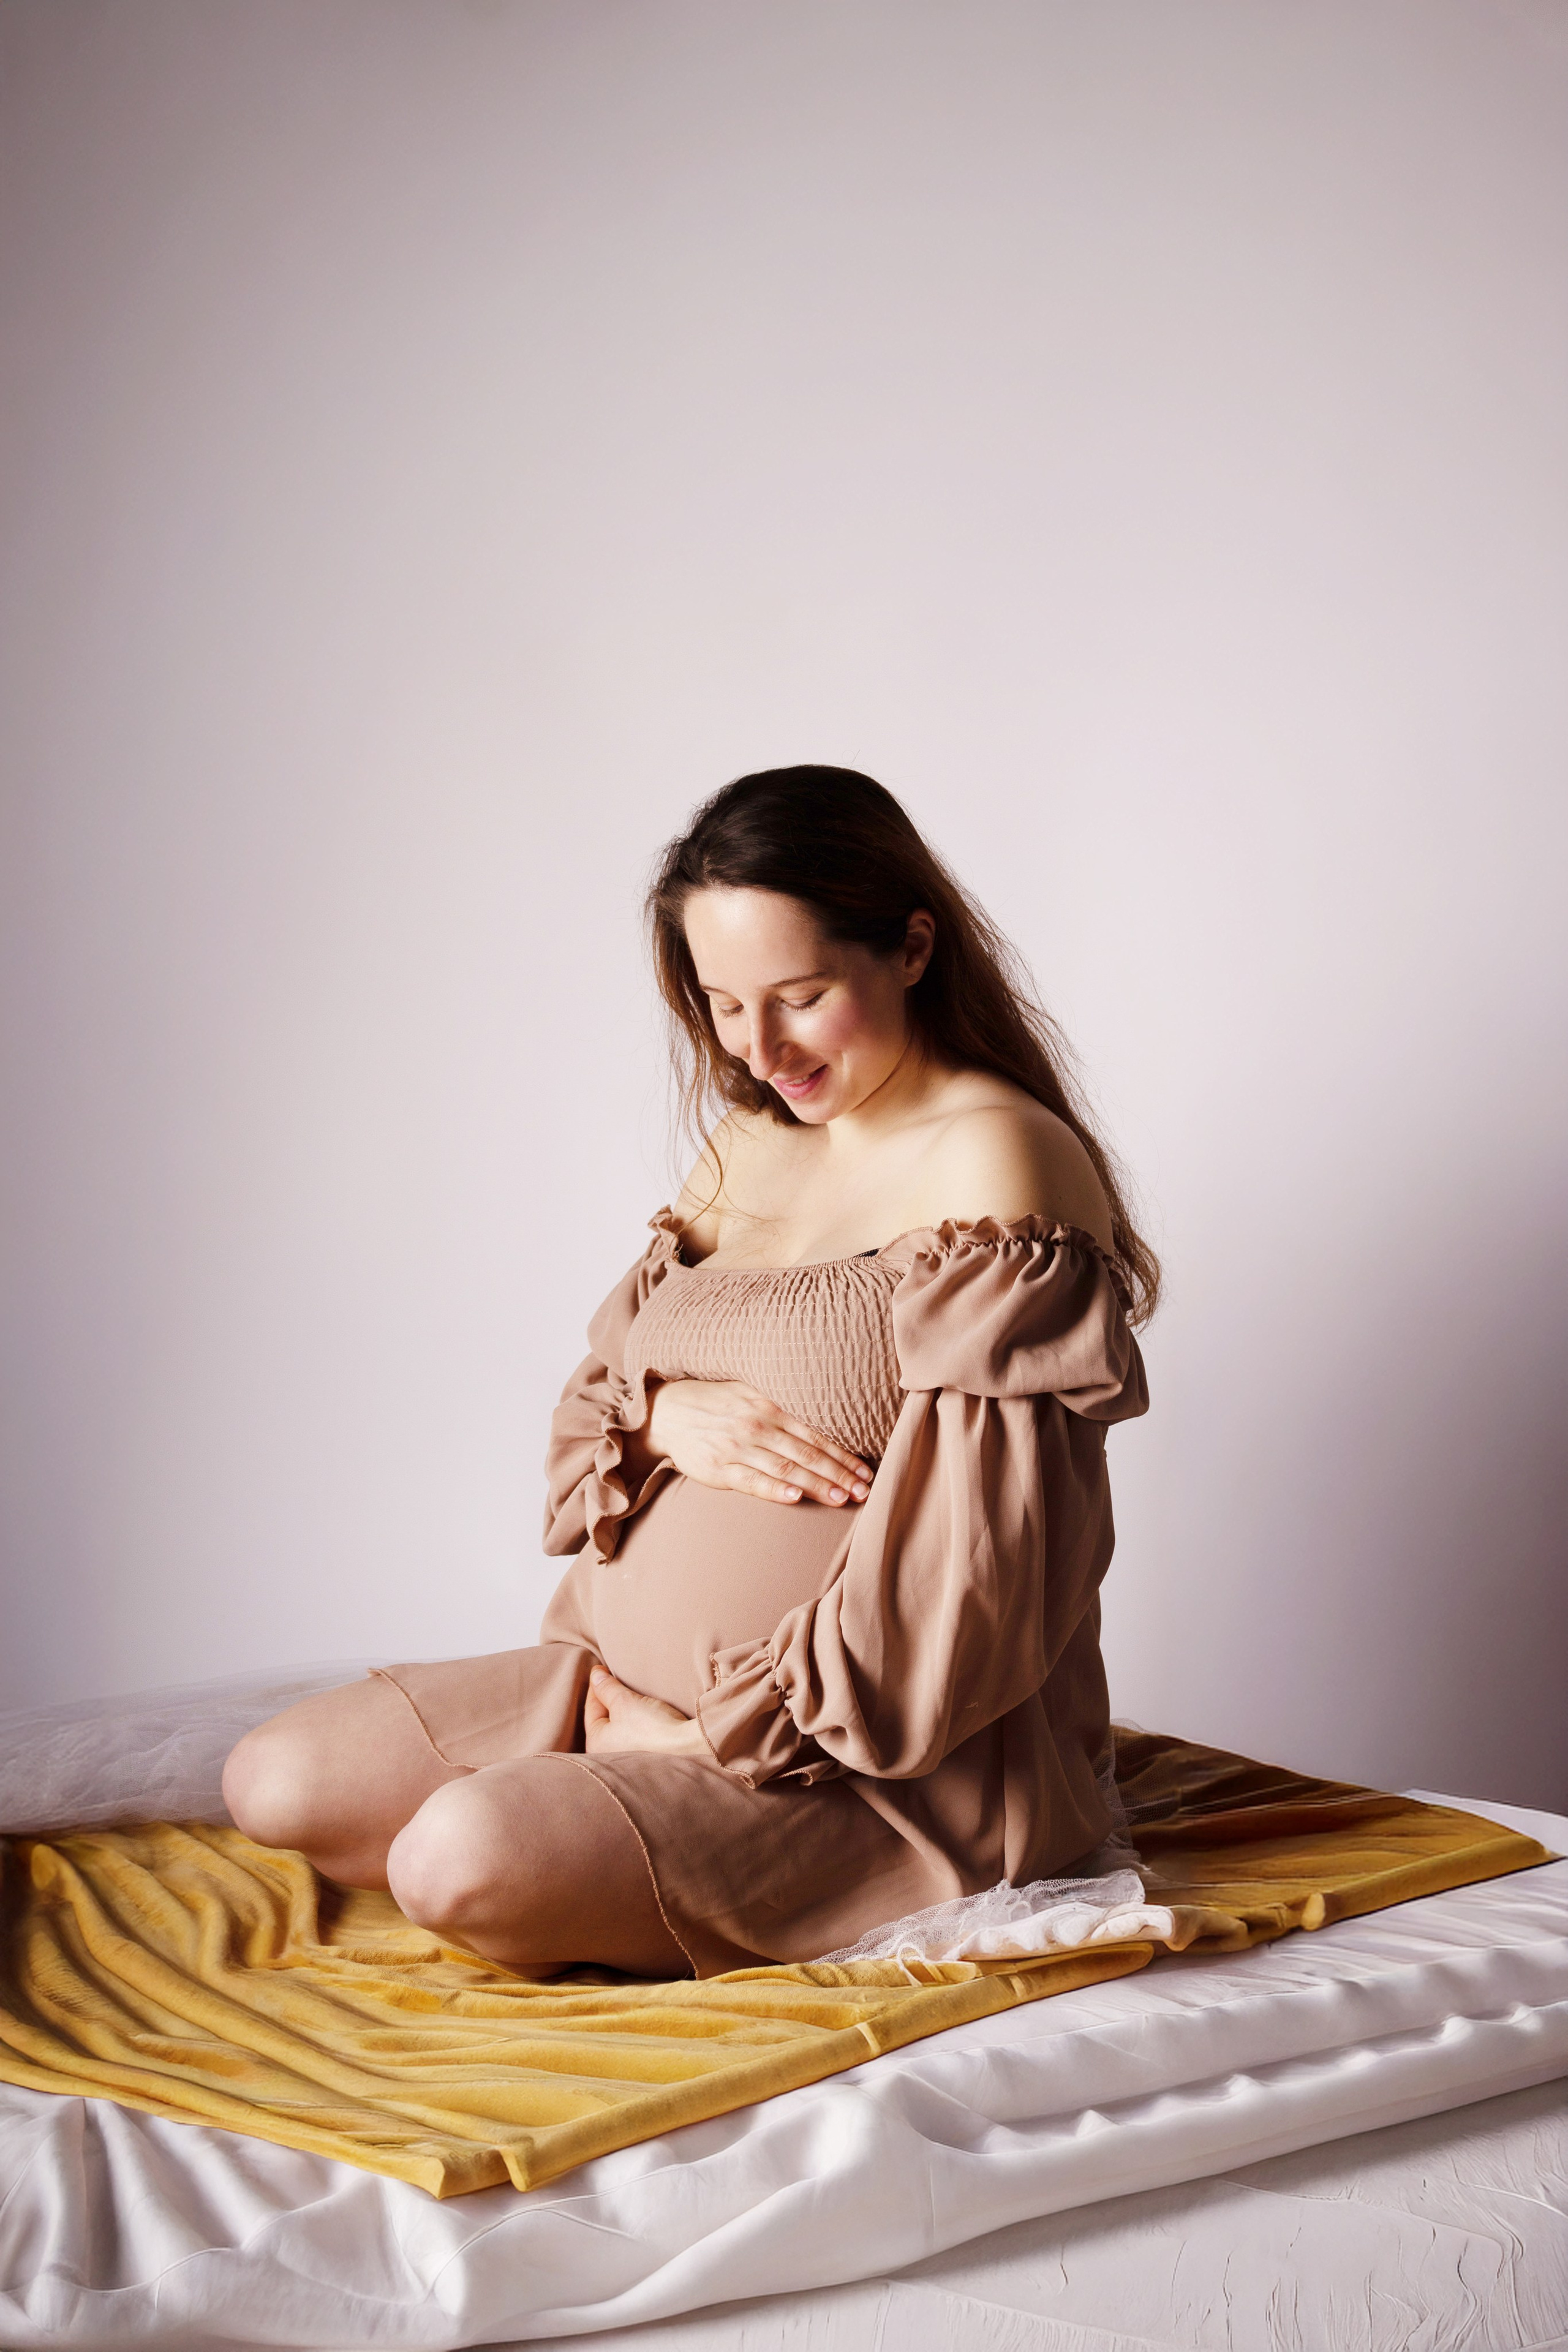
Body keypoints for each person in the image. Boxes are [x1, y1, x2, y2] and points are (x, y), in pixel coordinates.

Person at [224, 767, 1155, 1979]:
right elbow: (594, 1401)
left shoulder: (997, 1160)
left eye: (800, 998)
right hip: (614, 1692)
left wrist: (706, 1741)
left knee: (454, 1862)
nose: (760, 1049)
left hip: (862, 1768)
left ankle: (639, 1818)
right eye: (722, 1006)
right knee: (275, 1780)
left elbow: (981, 1578)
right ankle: (598, 1797)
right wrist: (661, 1418)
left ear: (912, 949)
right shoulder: (750, 1139)